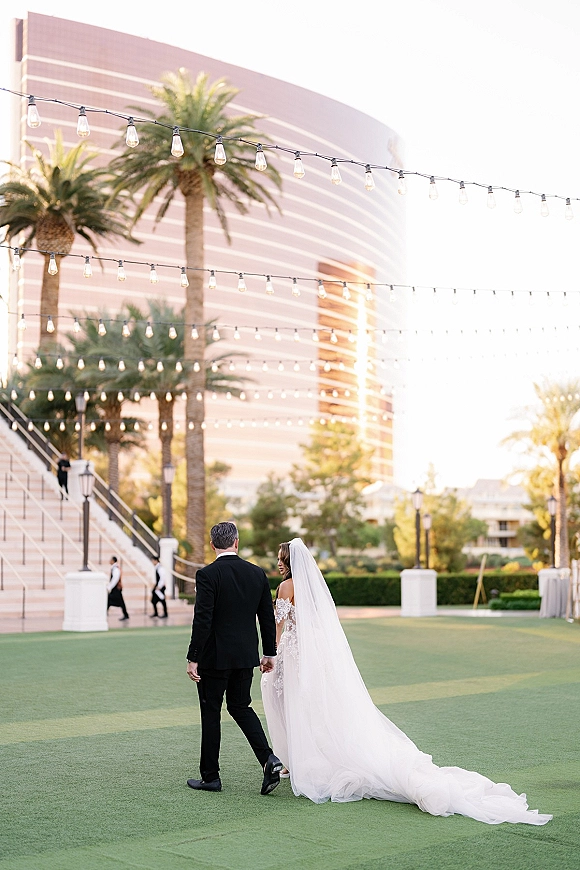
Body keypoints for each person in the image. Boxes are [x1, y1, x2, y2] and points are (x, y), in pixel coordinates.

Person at [261, 538, 552, 826]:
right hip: (312, 655)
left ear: (290, 560)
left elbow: (279, 626)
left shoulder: (287, 587)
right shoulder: (311, 589)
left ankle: (294, 761)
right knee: (312, 705)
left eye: (281, 557)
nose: (278, 561)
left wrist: (270, 654)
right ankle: (298, 758)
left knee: (294, 703)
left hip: (294, 655)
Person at [185, 521, 282, 795]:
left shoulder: (207, 574)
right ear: (236, 542)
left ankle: (211, 777)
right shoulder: (257, 573)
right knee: (241, 707)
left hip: (213, 658)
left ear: (212, 544)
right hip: (244, 657)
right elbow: (266, 617)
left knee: (211, 712)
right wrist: (269, 653)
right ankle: (268, 759)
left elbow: (202, 620)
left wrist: (193, 657)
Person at [107, 556, 129, 621]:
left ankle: (126, 614)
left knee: (118, 601)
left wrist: (109, 587)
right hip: (115, 588)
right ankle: (125, 614)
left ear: (113, 561)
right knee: (109, 600)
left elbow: (115, 579)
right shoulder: (114, 568)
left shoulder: (115, 569)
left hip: (116, 588)